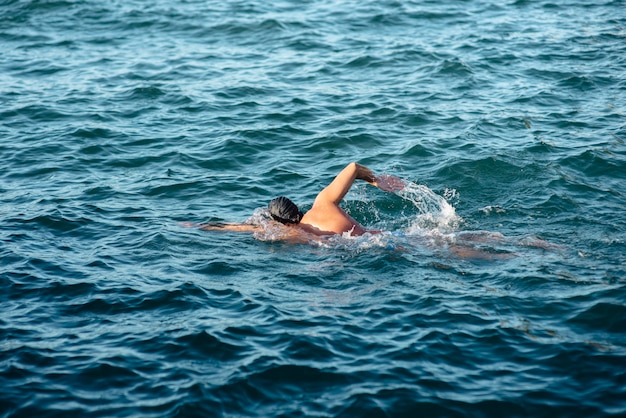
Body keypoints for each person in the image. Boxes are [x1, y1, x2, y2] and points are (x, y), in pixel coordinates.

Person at [200, 162, 404, 237]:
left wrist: (202, 226)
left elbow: (245, 228)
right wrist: (375, 181)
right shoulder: (324, 202)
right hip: (391, 236)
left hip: (373, 249)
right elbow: (353, 167)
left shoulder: (294, 232)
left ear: (284, 223)